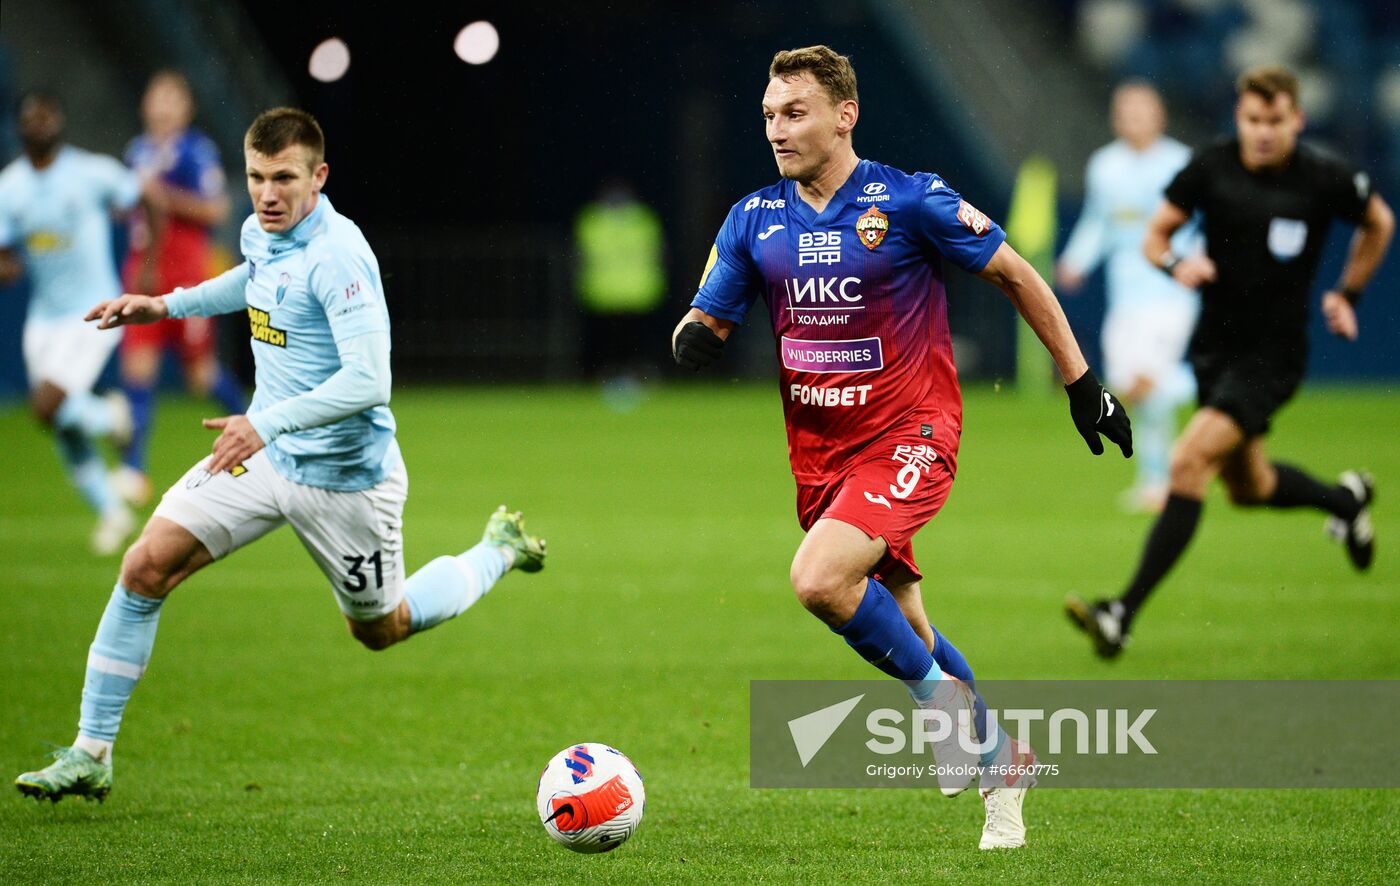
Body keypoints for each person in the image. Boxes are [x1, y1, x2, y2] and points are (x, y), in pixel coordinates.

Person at [671, 46, 1132, 850]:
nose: (778, 131)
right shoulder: (753, 219)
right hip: (820, 457)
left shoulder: (910, 200)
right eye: (770, 116)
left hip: (912, 436)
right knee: (909, 628)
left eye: (796, 112)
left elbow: (1019, 276)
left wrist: (1081, 383)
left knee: (818, 580)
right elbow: (708, 315)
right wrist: (694, 339)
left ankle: (943, 716)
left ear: (844, 115)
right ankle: (1000, 765)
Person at [15, 107, 547, 803]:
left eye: (285, 179)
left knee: (381, 630)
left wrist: (266, 427)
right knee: (145, 566)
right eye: (257, 177)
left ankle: (496, 552)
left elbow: (368, 381)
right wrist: (164, 306)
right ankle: (91, 751)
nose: (268, 194)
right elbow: (251, 282)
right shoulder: (262, 231)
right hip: (266, 451)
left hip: (344, 479)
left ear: (319, 178)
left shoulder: (340, 256)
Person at [1066, 65, 1393, 659]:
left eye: (1274, 121)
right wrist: (1174, 266)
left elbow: (1379, 222)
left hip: (1274, 355)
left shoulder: (1323, 178)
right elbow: (1155, 236)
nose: (1263, 132)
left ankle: (1121, 611)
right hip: (1215, 348)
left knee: (1188, 463)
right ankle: (1347, 501)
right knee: (1249, 486)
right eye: (1252, 120)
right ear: (1239, 118)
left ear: (1295, 118)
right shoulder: (1209, 168)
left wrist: (1349, 294)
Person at [0, 91, 146, 555]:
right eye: (32, 118)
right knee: (60, 424)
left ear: (59, 123)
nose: (40, 124)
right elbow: (3, 250)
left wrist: (149, 262)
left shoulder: (90, 172)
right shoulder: (11, 187)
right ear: (21, 127)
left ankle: (113, 416)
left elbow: (147, 196)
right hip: (44, 319)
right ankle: (112, 511)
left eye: (47, 116)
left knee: (46, 406)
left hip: (94, 312)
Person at [1057, 81, 1199, 513]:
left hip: (1170, 291)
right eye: (1126, 110)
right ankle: (1158, 477)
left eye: (1143, 110)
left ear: (1160, 116)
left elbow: (1200, 224)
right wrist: (1077, 259)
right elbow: (1098, 221)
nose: (1134, 118)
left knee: (1149, 382)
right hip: (1126, 295)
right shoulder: (1105, 166)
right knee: (1127, 386)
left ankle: (1160, 478)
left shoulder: (1181, 163)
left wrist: (1195, 265)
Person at [116, 70, 247, 507]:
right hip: (144, 272)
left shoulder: (195, 150)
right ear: (145, 105)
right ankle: (133, 470)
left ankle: (254, 423)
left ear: (186, 108)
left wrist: (162, 197)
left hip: (187, 277)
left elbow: (216, 210)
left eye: (173, 98)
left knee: (199, 376)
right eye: (158, 97)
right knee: (138, 369)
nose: (164, 106)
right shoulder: (136, 151)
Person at [573, 177, 666, 383]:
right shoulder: (593, 220)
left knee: (632, 343)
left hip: (634, 292)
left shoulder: (640, 219)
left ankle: (629, 376)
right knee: (610, 344)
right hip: (609, 292)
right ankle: (611, 376)